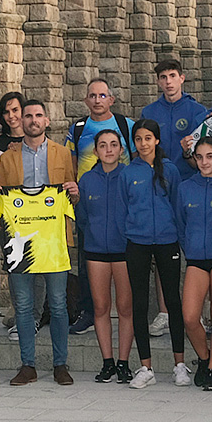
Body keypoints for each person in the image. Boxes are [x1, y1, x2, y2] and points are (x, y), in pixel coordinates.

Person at [0, 99, 79, 386]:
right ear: (20, 121)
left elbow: (70, 197)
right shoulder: (7, 158)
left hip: (54, 241)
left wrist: (74, 192)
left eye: (38, 115)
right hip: (20, 241)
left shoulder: (62, 154)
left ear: (46, 120)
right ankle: (27, 364)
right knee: (25, 305)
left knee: (57, 304)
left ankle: (60, 364)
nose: (32, 120)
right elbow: (2, 199)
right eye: (27, 115)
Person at [122, 120, 188, 388]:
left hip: (167, 241)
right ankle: (145, 367)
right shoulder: (128, 173)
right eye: (138, 139)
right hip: (137, 242)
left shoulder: (170, 170)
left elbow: (177, 206)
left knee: (172, 301)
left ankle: (179, 365)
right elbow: (125, 206)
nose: (143, 143)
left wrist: (179, 239)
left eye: (148, 138)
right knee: (140, 303)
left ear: (157, 140)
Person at [63, 79, 132, 333]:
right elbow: (70, 163)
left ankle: (133, 314)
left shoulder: (126, 125)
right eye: (92, 95)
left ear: (111, 99)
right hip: (88, 203)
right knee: (86, 259)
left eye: (102, 95)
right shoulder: (78, 129)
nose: (97, 100)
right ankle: (89, 312)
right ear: (86, 100)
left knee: (127, 261)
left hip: (121, 204)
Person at [171, 137, 212, 391]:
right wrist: (189, 247)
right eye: (199, 157)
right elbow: (180, 223)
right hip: (196, 259)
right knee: (189, 317)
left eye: (210, 156)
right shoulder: (187, 187)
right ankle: (204, 357)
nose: (204, 162)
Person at [78, 128, 134, 383]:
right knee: (101, 307)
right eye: (103, 145)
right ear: (96, 151)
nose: (109, 149)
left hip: (124, 251)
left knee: (125, 307)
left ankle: (124, 362)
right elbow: (83, 217)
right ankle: (107, 362)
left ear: (121, 150)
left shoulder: (130, 177)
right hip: (96, 251)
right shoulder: (87, 180)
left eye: (114, 145)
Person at [140, 57, 210, 156]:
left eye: (172, 75)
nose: (168, 81)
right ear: (158, 82)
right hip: (158, 170)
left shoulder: (198, 111)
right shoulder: (148, 112)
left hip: (189, 170)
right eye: (163, 77)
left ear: (182, 78)